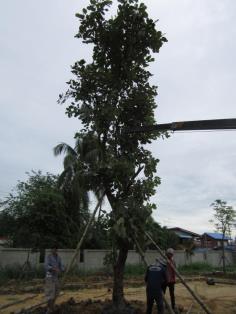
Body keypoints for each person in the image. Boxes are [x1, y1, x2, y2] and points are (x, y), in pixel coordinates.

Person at [44, 246, 64, 313]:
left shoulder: (59, 258)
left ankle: (51, 307)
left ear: (56, 250)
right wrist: (54, 269)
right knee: (50, 293)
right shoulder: (48, 257)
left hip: (56, 277)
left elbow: (61, 266)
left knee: (56, 292)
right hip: (49, 277)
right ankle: (48, 309)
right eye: (52, 249)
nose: (54, 250)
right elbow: (46, 266)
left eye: (55, 249)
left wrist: (63, 269)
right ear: (51, 250)